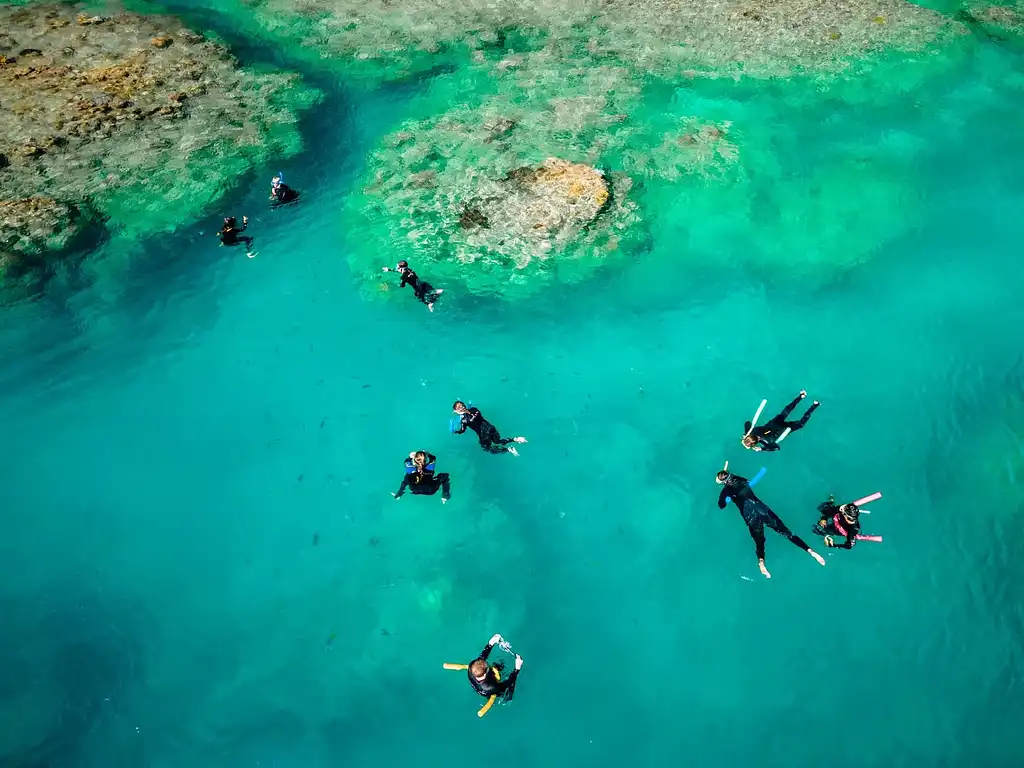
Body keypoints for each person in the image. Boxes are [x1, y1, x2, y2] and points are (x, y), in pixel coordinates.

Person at [716, 469, 825, 578]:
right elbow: (746, 481)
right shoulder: (742, 481)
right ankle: (811, 551)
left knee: (760, 542)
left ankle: (761, 563)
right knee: (786, 532)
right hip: (762, 510)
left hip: (750, 517)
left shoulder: (725, 491)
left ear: (724, 483)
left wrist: (727, 496)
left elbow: (721, 505)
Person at [443, 633, 523, 717]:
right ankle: (508, 699)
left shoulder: (472, 667)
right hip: (490, 691)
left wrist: (490, 643)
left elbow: (482, 657)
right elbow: (508, 682)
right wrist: (517, 668)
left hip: (478, 684)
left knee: (497, 666)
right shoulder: (491, 687)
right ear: (485, 673)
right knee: (510, 687)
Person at [741, 390, 820, 452]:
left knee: (801, 424)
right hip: (774, 423)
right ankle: (801, 396)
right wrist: (746, 433)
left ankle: (815, 405)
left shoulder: (767, 442)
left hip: (783, 429)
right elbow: (747, 422)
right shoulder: (751, 431)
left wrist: (762, 449)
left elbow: (777, 447)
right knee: (786, 411)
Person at [452, 401, 526, 456]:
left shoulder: (465, 419)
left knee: (487, 448)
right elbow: (464, 428)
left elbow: (463, 430)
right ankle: (514, 439)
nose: (462, 407)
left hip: (483, 435)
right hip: (491, 428)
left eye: (461, 406)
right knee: (498, 441)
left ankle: (508, 450)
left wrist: (455, 431)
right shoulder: (473, 410)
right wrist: (457, 430)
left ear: (457, 411)